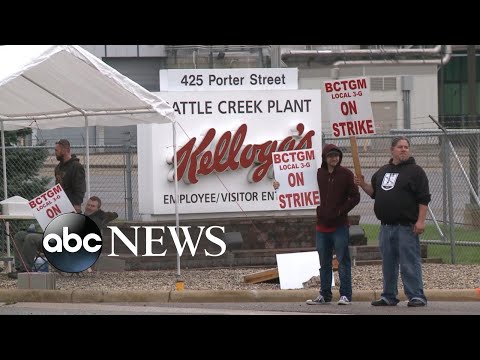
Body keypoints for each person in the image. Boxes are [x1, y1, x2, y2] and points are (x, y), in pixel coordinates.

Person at [274, 144, 360, 305]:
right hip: (322, 226)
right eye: (331, 156)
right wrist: (279, 185)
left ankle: (345, 295)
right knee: (324, 263)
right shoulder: (318, 173)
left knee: (343, 261)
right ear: (325, 158)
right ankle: (324, 294)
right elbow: (295, 184)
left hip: (340, 226)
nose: (334, 158)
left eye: (337, 155)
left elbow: (355, 197)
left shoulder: (346, 174)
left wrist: (341, 211)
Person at [354, 136, 430, 307]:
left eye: (406, 147)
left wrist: (421, 221)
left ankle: (416, 295)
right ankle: (388, 296)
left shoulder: (416, 172)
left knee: (409, 263)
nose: (403, 149)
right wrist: (363, 184)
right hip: (386, 228)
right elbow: (373, 192)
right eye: (400, 147)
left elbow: (423, 199)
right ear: (392, 150)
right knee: (388, 264)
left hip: (406, 227)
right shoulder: (382, 171)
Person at [8, 196, 118, 279]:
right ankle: (19, 268)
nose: (89, 207)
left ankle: (25, 270)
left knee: (31, 238)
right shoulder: (81, 215)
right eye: (88, 205)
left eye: (93, 206)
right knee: (20, 235)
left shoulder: (96, 220)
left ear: (98, 209)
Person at [55, 139, 86, 213]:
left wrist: (77, 204)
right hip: (61, 205)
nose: (55, 153)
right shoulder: (58, 167)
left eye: (56, 150)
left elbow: (80, 187)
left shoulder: (76, 166)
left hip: (72, 205)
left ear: (64, 150)